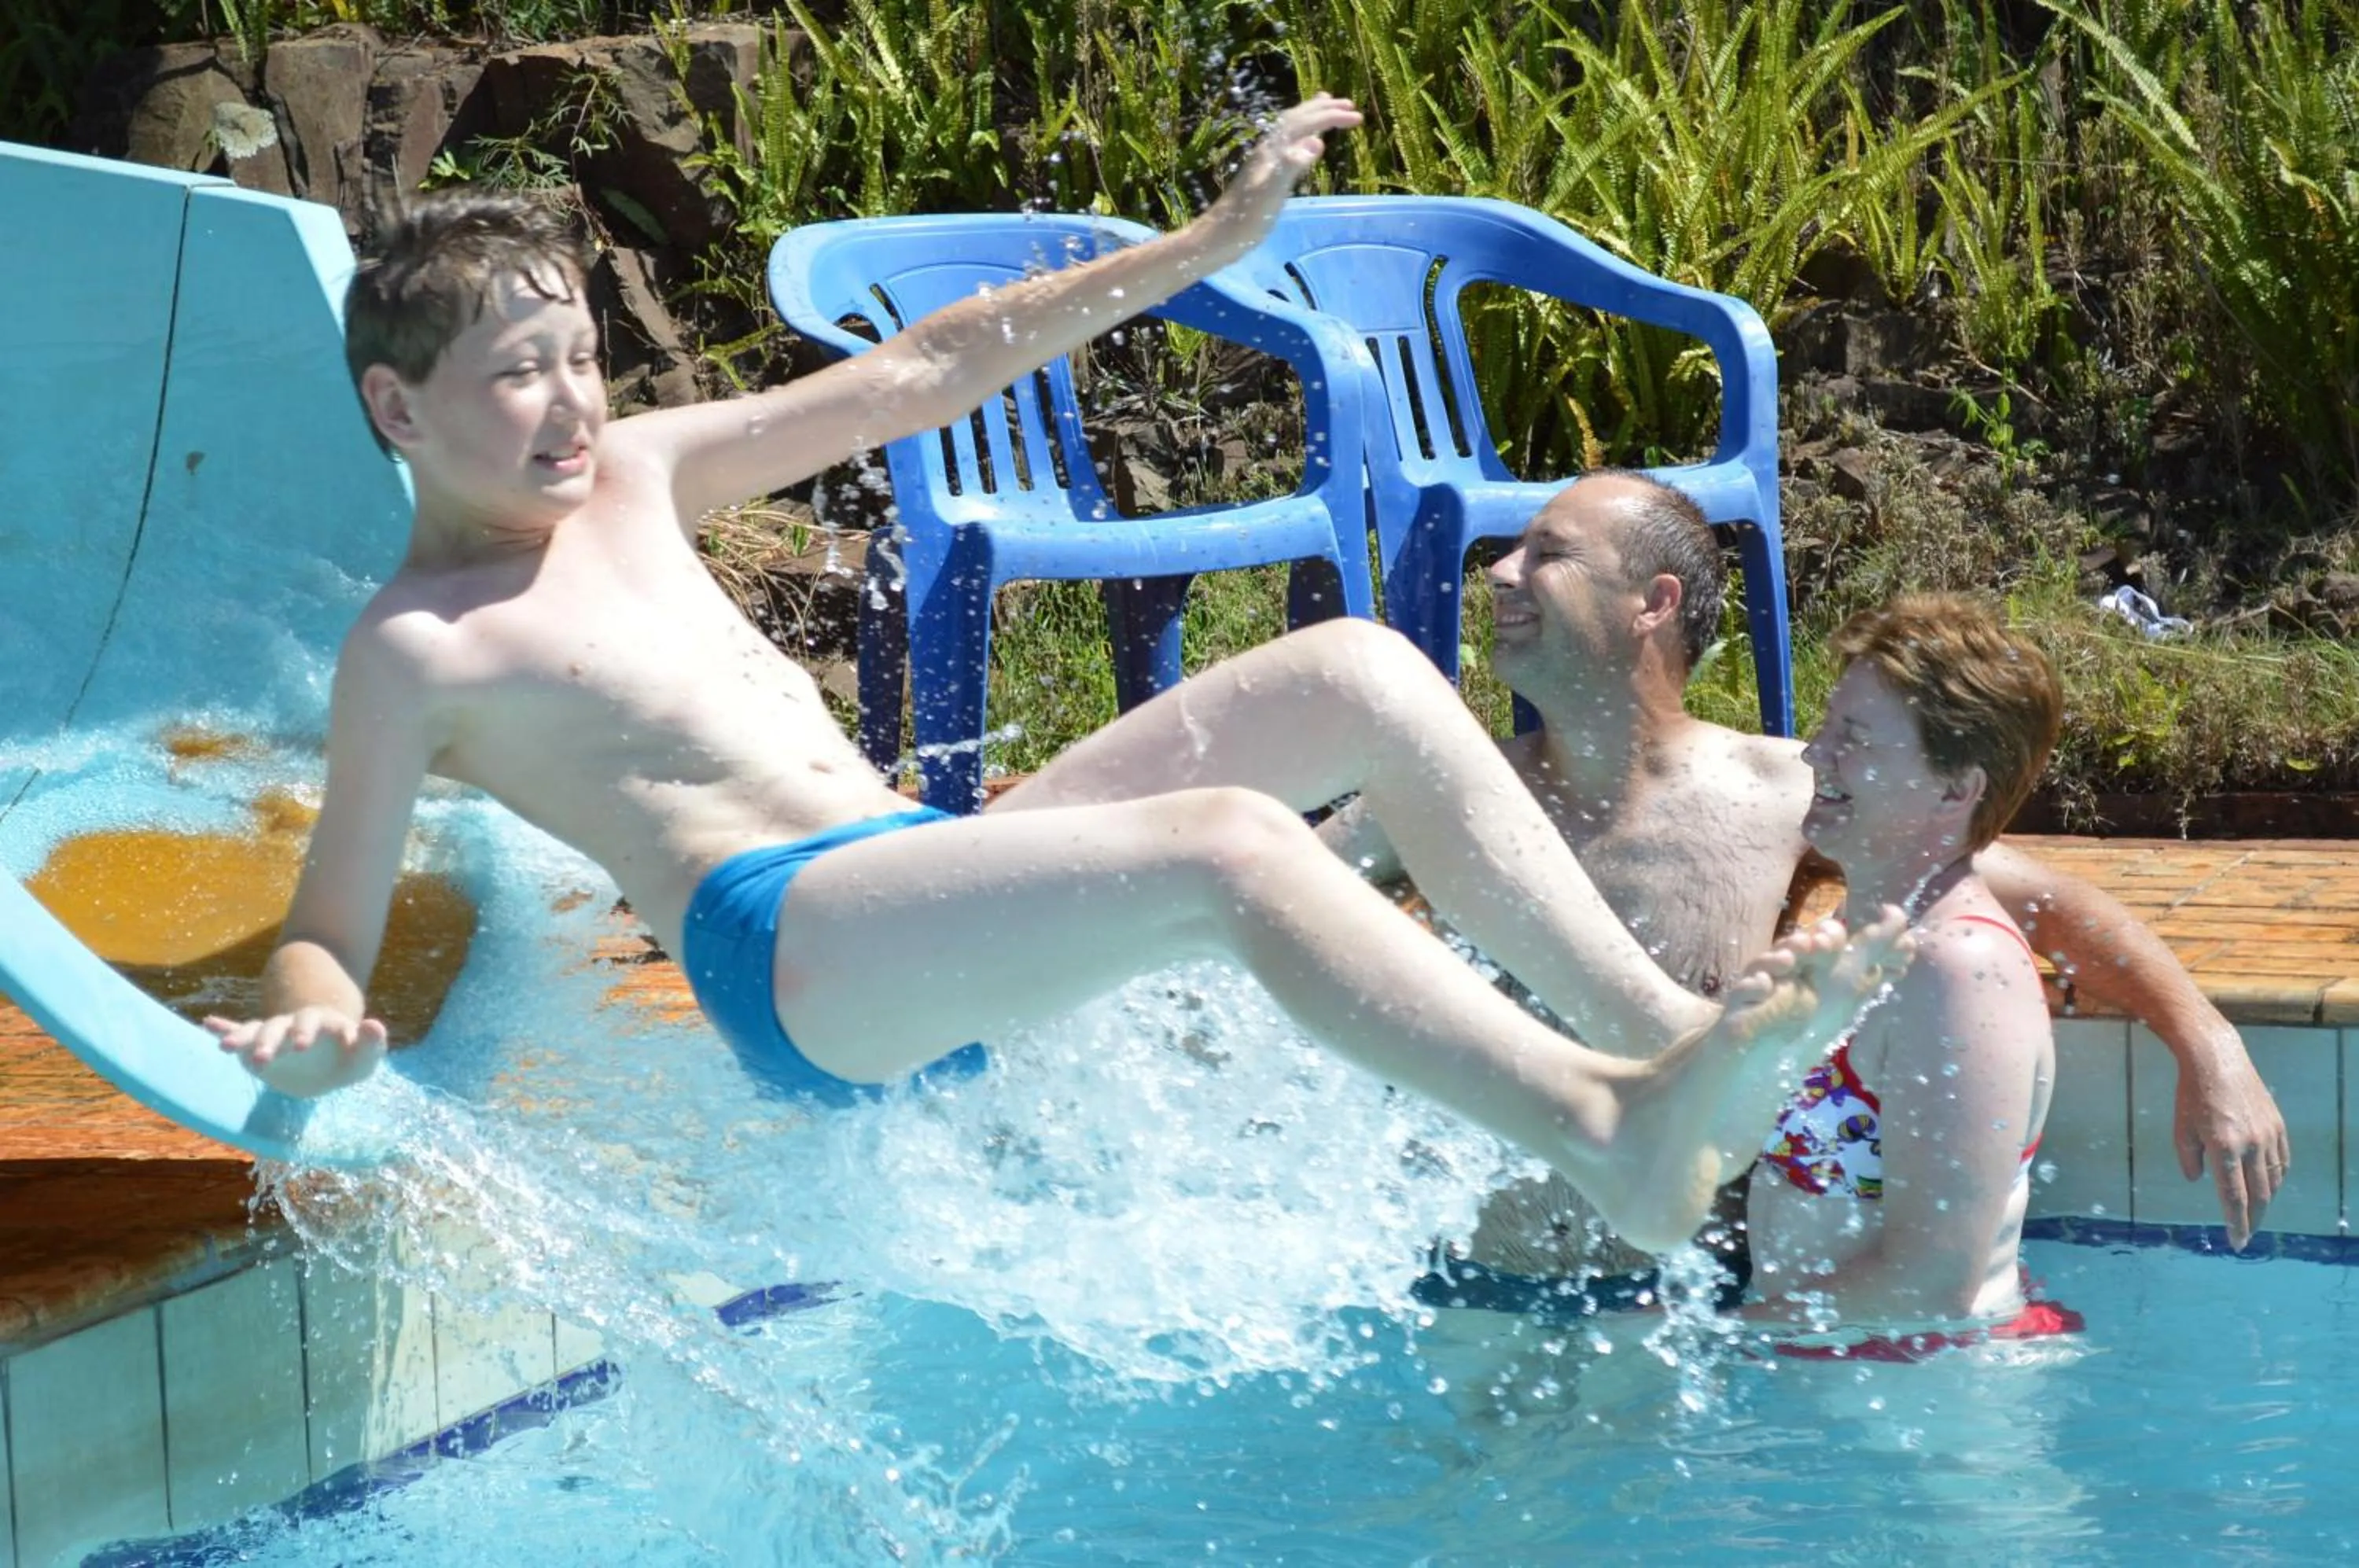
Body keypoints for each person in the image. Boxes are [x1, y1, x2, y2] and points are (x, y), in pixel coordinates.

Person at [201, 97, 1911, 1257]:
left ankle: (1679, 1050)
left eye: (580, 355)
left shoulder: (638, 475)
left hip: (911, 879)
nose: (575, 403)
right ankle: (1601, 1132)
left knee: (1366, 673)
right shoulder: (417, 648)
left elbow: (927, 368)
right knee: (1234, 844)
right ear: (399, 411)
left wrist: (1204, 242)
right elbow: (326, 919)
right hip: (801, 963)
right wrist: (307, 1008)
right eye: (519, 375)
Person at [1333, 471, 2286, 1271]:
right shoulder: (1435, 789)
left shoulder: (1780, 786)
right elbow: (1239, 917)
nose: (1500, 573)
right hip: (1465, 1287)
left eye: (1548, 553)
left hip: (1681, 1306)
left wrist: (2210, 1045)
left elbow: (2040, 898)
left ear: (1652, 604)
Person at [1743, 594, 2078, 1352]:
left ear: (1956, 788)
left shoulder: (1960, 972)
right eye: (1828, 727)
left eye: (1853, 737)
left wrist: (1701, 1335)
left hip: (1927, 1413)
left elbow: (1931, 1285)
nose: (1812, 754)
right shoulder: (1859, 932)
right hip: (1841, 1386)